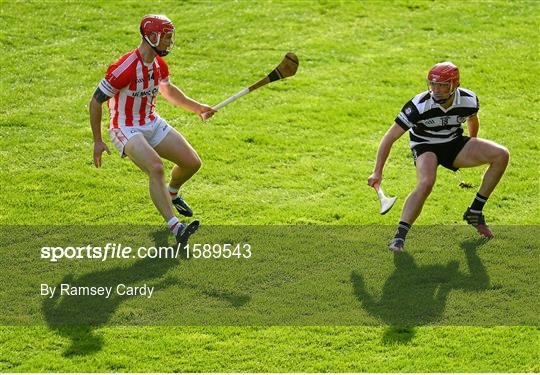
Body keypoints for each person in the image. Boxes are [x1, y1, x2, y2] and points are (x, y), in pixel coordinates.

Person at [89, 14, 216, 243]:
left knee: (192, 163)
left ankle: (172, 193)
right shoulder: (124, 69)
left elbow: (167, 91)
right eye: (166, 37)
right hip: (125, 127)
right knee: (156, 167)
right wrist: (98, 141)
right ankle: (176, 227)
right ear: (152, 36)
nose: (170, 42)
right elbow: (95, 101)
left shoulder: (158, 64)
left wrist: (197, 108)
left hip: (151, 121)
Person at [368, 62, 509, 252]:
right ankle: (399, 238)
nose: (436, 90)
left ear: (455, 85)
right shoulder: (418, 105)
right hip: (425, 145)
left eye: (442, 85)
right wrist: (377, 172)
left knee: (501, 155)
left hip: (453, 143)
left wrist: (472, 142)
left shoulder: (469, 100)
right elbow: (389, 138)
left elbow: (472, 120)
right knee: (426, 182)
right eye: (433, 84)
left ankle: (475, 211)